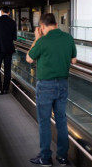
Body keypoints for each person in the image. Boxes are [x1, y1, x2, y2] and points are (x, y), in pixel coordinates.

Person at [26, 13, 77, 166]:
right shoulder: (68, 38)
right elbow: (73, 60)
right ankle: (62, 156)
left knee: (44, 122)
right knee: (61, 120)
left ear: (42, 26)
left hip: (46, 86)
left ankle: (45, 157)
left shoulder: (42, 41)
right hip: (63, 84)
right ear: (55, 24)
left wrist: (36, 38)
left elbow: (29, 58)